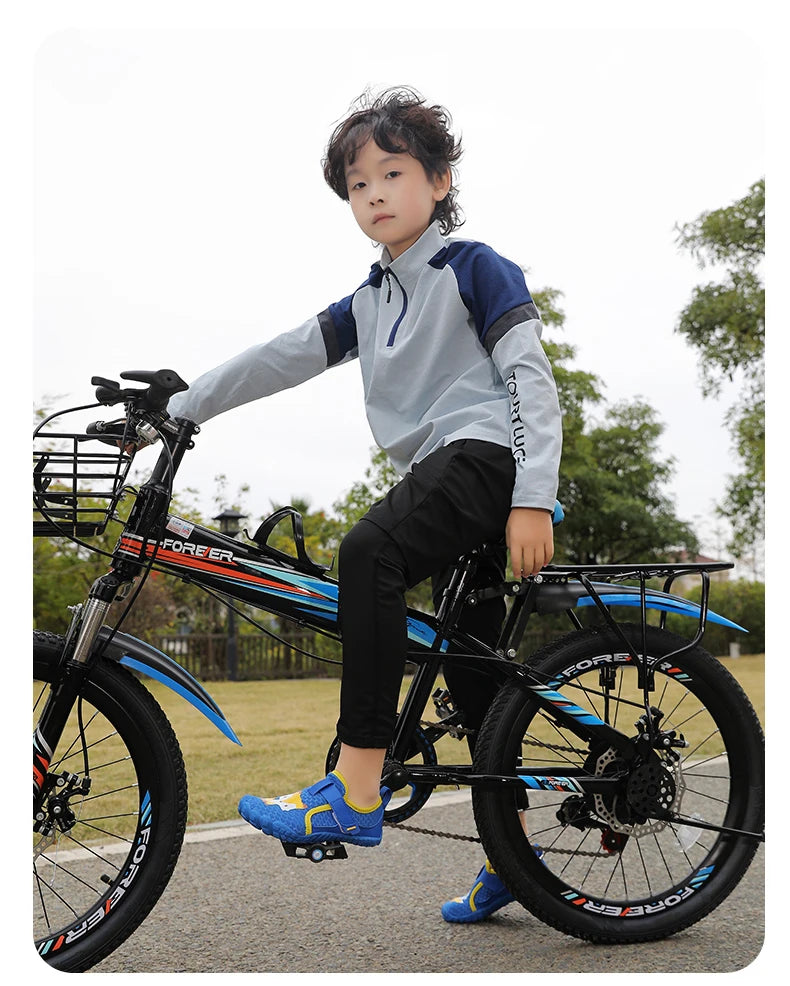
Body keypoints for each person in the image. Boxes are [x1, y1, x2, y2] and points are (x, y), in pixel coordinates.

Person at [167, 87, 562, 920]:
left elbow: (530, 378)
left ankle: (356, 784)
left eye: (393, 172)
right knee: (476, 674)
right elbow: (282, 356)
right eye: (357, 185)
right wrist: (183, 404)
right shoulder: (371, 298)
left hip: (488, 456)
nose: (374, 193)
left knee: (367, 551)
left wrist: (535, 498)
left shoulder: (475, 267)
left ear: (441, 181)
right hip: (446, 469)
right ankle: (516, 858)